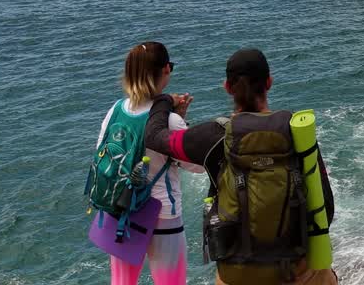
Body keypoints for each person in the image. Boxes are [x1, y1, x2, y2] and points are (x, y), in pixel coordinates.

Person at [143, 48, 337, 285]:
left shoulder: (212, 137)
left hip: (237, 276)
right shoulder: (297, 131)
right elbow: (326, 207)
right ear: (269, 82)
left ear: (227, 87)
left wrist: (164, 101)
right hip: (298, 272)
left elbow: (154, 137)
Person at [96, 41, 204, 285]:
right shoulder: (171, 121)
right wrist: (183, 125)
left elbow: (102, 154)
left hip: (120, 211)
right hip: (162, 215)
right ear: (166, 69)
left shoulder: (114, 111)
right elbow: (196, 166)